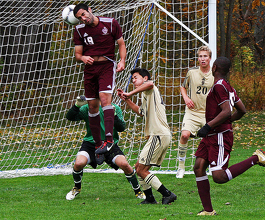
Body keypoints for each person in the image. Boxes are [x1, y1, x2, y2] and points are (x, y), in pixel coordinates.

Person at [194, 57, 265, 216]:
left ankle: (256, 158)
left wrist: (210, 125)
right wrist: (221, 123)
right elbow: (242, 110)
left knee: (219, 177)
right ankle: (208, 211)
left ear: (215, 67)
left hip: (219, 136)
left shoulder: (219, 87)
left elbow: (226, 111)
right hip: (211, 135)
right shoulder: (227, 87)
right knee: (198, 167)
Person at [65, 96, 145, 200]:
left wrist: (114, 114)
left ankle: (138, 191)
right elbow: (70, 117)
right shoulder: (87, 108)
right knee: (78, 163)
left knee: (125, 164)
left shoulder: (114, 107)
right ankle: (77, 188)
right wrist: (76, 106)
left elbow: (121, 128)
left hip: (109, 144)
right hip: (90, 144)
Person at [117, 68, 177, 205]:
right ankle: (150, 198)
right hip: (157, 135)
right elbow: (140, 112)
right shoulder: (145, 94)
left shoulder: (149, 87)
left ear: (144, 78)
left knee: (142, 170)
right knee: (139, 167)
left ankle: (167, 194)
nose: (133, 80)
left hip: (159, 134)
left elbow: (150, 84)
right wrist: (127, 99)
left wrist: (130, 93)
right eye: (132, 78)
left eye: (136, 77)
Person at [73, 3, 126, 154]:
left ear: (90, 10)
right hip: (90, 70)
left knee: (104, 99)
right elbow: (77, 54)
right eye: (79, 18)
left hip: (106, 66)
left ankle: (109, 140)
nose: (83, 19)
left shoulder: (110, 23)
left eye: (84, 14)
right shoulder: (79, 30)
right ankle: (97, 146)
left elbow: (121, 44)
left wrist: (122, 60)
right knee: (92, 107)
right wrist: (83, 57)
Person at [176, 46, 214, 178]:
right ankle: (181, 167)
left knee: (210, 140)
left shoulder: (214, 74)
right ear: (198, 58)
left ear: (209, 58)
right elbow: (182, 86)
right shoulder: (192, 72)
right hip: (192, 112)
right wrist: (186, 98)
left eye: (205, 56)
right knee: (185, 135)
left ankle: (209, 166)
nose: (202, 59)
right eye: (200, 56)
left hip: (208, 114)